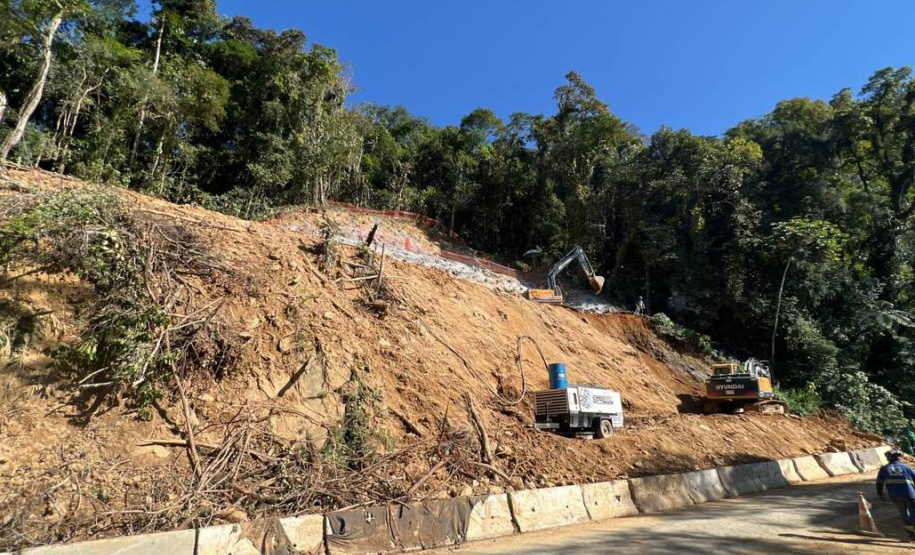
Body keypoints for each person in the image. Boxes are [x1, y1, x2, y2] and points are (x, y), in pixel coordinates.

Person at [877, 449, 915, 536]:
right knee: (913, 512)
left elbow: (879, 483)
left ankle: (910, 529)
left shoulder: (884, 469)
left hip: (895, 495)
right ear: (898, 458)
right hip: (910, 494)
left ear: (888, 459)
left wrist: (880, 494)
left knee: (903, 512)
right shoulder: (906, 467)